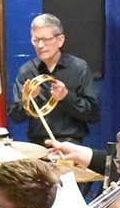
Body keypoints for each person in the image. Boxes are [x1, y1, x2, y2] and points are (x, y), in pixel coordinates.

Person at [6, 13, 99, 144]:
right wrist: (30, 99)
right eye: (35, 40)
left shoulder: (79, 68)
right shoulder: (27, 71)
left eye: (45, 39)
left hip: (70, 144)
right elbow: (15, 117)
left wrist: (66, 97)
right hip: (37, 145)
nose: (40, 45)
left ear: (60, 40)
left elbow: (93, 115)